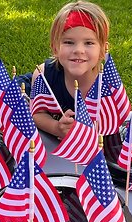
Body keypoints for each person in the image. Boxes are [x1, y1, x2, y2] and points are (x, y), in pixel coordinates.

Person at [31, 0, 110, 139]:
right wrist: (56, 128)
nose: (79, 50)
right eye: (68, 42)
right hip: (28, 85)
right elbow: (37, 113)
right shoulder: (43, 76)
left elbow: (120, 118)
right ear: (55, 48)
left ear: (103, 50)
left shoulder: (109, 86)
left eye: (89, 43)